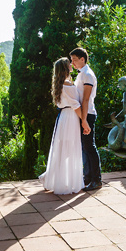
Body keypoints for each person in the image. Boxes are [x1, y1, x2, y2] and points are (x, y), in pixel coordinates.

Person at [39, 57, 84, 194]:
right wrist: (84, 121)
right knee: (69, 150)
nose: (71, 65)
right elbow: (76, 105)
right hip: (71, 117)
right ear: (65, 68)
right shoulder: (68, 85)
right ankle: (53, 178)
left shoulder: (60, 84)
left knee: (63, 150)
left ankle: (50, 177)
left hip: (64, 117)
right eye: (68, 64)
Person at [70, 47, 102, 190]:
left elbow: (86, 99)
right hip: (83, 114)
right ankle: (88, 177)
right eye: (71, 60)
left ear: (82, 59)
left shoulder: (87, 74)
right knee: (85, 147)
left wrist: (83, 120)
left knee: (90, 147)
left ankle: (97, 180)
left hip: (87, 114)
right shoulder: (81, 74)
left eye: (74, 60)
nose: (72, 63)